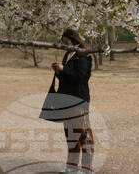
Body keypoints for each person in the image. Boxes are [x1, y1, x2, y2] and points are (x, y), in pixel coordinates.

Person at [51, 28, 93, 174]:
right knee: (70, 134)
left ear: (74, 40)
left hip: (78, 100)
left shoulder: (83, 55)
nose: (65, 45)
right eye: (63, 43)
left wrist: (64, 69)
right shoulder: (68, 55)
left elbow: (81, 77)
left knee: (83, 134)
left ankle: (87, 169)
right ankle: (72, 167)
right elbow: (67, 78)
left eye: (66, 42)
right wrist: (58, 72)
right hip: (66, 100)